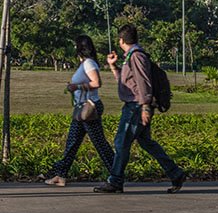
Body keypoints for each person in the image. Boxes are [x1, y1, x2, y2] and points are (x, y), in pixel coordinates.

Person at [94, 24, 186, 194]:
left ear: (121, 40)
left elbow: (144, 82)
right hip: (136, 104)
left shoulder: (136, 56)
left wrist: (145, 107)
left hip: (136, 106)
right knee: (146, 143)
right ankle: (176, 173)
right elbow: (127, 81)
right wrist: (113, 66)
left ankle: (115, 181)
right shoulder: (132, 56)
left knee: (121, 142)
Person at [43, 35, 115, 186]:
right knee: (72, 143)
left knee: (99, 143)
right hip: (81, 109)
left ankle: (117, 173)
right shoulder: (85, 63)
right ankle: (60, 175)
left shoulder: (89, 63)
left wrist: (77, 87)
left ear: (80, 47)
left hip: (89, 109)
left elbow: (97, 83)